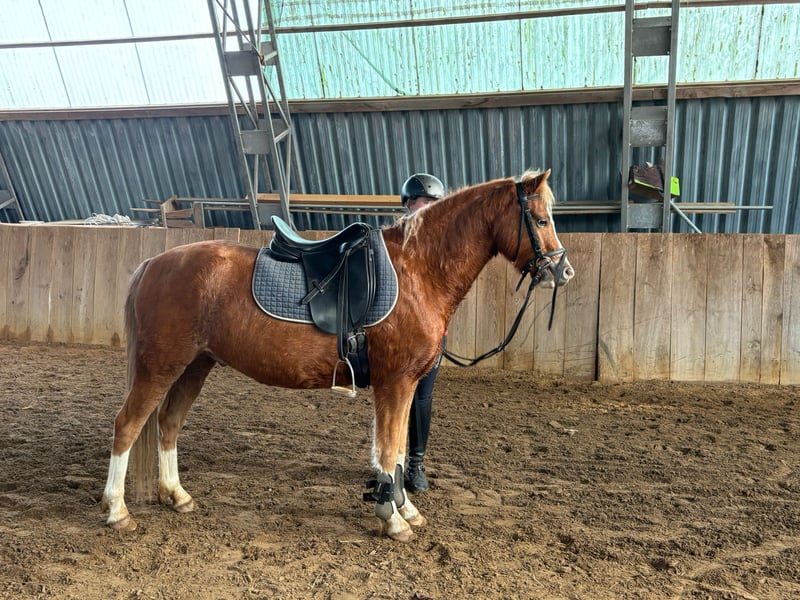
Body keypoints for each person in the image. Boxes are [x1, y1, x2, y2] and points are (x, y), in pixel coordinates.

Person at [399, 173, 447, 492]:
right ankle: (391, 462)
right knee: (393, 396)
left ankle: (416, 464)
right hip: (398, 333)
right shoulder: (395, 239)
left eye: (434, 202)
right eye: (423, 201)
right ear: (408, 204)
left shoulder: (444, 244)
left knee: (422, 397)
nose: (428, 207)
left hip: (430, 332)